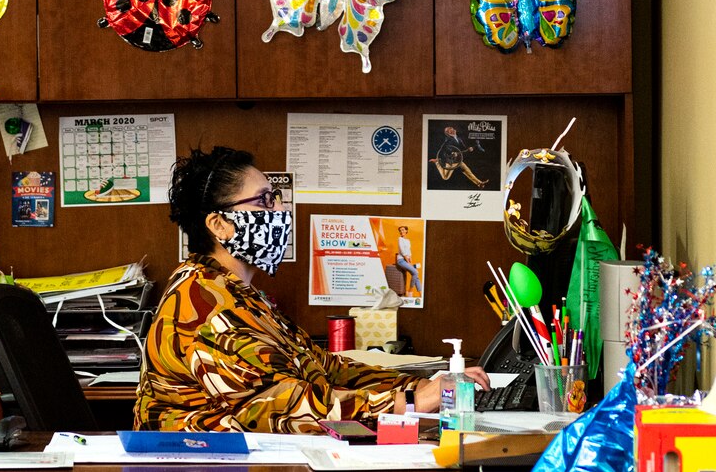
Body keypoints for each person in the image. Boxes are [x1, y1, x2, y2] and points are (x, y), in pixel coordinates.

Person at [135, 146, 488, 433]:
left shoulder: (238, 294)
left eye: (274, 198)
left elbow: (326, 368)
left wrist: (422, 385)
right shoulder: (205, 306)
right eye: (263, 202)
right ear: (219, 224)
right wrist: (411, 403)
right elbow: (287, 408)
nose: (279, 211)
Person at [394, 226, 422, 296]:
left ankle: (420, 294)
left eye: (403, 230)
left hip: (407, 260)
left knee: (415, 275)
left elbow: (409, 252)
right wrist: (408, 262)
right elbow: (403, 252)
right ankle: (410, 291)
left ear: (406, 231)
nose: (401, 231)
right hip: (401, 260)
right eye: (400, 230)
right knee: (415, 272)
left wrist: (410, 261)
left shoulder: (408, 241)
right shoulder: (400, 239)